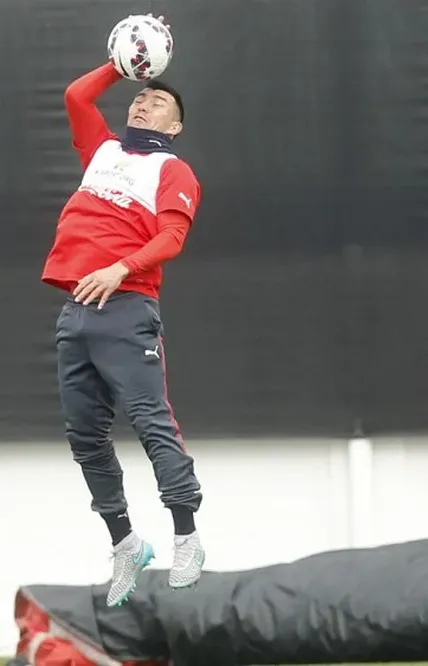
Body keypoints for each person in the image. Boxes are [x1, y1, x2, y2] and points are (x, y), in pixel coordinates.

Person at [40, 20, 205, 607]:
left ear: (175, 125)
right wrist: (122, 63)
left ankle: (186, 535)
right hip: (76, 312)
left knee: (151, 422)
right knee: (85, 438)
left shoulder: (173, 170)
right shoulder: (102, 148)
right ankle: (125, 543)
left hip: (128, 307)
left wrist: (120, 269)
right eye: (141, 94)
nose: (145, 100)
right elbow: (75, 97)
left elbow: (173, 238)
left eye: (158, 99)